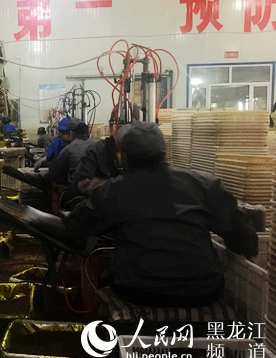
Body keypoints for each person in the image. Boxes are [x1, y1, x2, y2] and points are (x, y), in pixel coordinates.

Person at [64, 121, 258, 307]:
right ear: (164, 151)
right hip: (203, 291)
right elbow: (244, 236)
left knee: (107, 274)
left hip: (138, 290)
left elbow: (76, 226)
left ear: (123, 156)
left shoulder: (113, 190)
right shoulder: (202, 185)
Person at [69, 111, 121, 196]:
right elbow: (81, 183)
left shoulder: (137, 153)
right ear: (111, 126)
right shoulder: (95, 151)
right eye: (121, 126)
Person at [48, 119, 92, 185]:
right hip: (98, 186)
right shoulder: (97, 144)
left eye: (65, 133)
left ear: (71, 132)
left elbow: (55, 172)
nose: (63, 136)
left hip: (78, 187)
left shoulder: (68, 149)